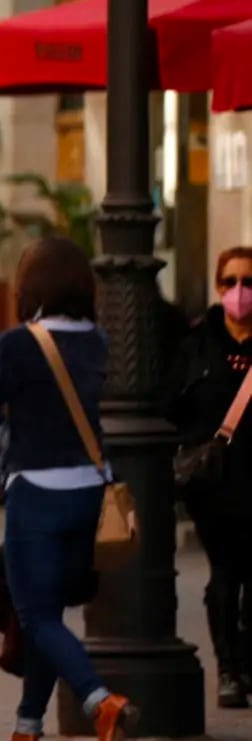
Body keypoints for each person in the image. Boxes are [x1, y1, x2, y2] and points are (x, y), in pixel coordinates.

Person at [0, 238, 141, 741]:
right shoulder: (98, 342)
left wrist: (13, 426)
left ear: (30, 288)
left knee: (37, 615)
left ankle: (99, 703)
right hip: (89, 494)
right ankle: (26, 732)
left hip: (36, 496)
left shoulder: (15, 345)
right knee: (49, 615)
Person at [169, 246, 252, 710]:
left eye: (249, 282)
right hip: (216, 485)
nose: (240, 293)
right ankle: (229, 670)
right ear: (219, 288)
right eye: (231, 282)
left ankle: (246, 661)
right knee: (225, 572)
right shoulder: (197, 344)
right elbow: (172, 404)